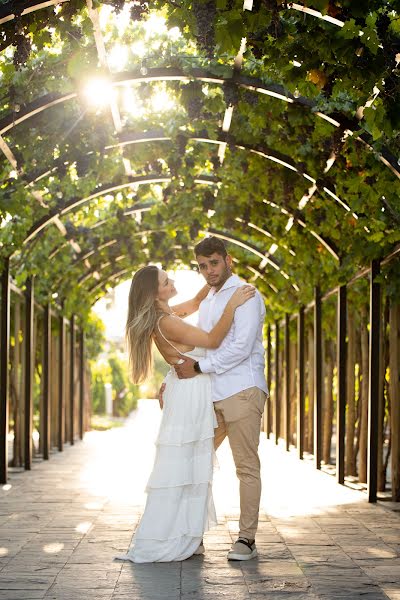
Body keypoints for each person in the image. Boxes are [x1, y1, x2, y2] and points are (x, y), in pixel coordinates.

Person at [115, 264, 255, 563]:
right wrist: (233, 303)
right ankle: (179, 534)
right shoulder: (166, 322)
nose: (173, 280)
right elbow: (214, 340)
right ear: (155, 294)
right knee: (186, 467)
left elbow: (193, 303)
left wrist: (217, 279)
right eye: (167, 281)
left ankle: (186, 533)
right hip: (191, 393)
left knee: (190, 466)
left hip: (191, 389)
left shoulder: (166, 314)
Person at [160, 237, 268, 561]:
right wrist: (172, 377)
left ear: (227, 259)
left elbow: (241, 348)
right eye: (202, 266)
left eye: (214, 263)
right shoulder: (208, 299)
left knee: (246, 467)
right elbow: (201, 344)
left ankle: (246, 539)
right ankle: (193, 536)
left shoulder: (246, 295)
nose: (209, 271)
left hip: (243, 391)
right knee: (197, 461)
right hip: (211, 393)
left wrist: (199, 367)